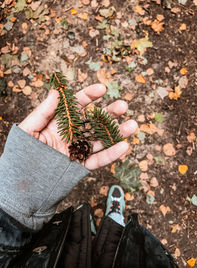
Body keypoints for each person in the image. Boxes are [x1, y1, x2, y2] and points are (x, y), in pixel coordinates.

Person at [0, 84, 178, 267]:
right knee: (113, 243)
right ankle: (114, 221)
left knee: (77, 237)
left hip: (61, 256)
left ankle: (86, 229)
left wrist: (9, 210)